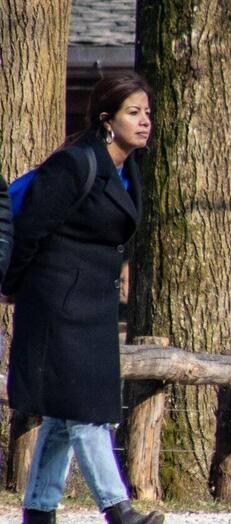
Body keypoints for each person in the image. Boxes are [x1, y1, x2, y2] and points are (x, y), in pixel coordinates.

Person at [3, 71, 162, 524]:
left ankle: (38, 511)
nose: (145, 121)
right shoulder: (74, 164)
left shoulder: (128, 169)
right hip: (58, 307)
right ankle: (119, 510)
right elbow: (31, 228)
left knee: (63, 413)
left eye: (147, 112)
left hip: (92, 308)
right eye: (134, 113)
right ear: (107, 120)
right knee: (87, 412)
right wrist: (12, 286)